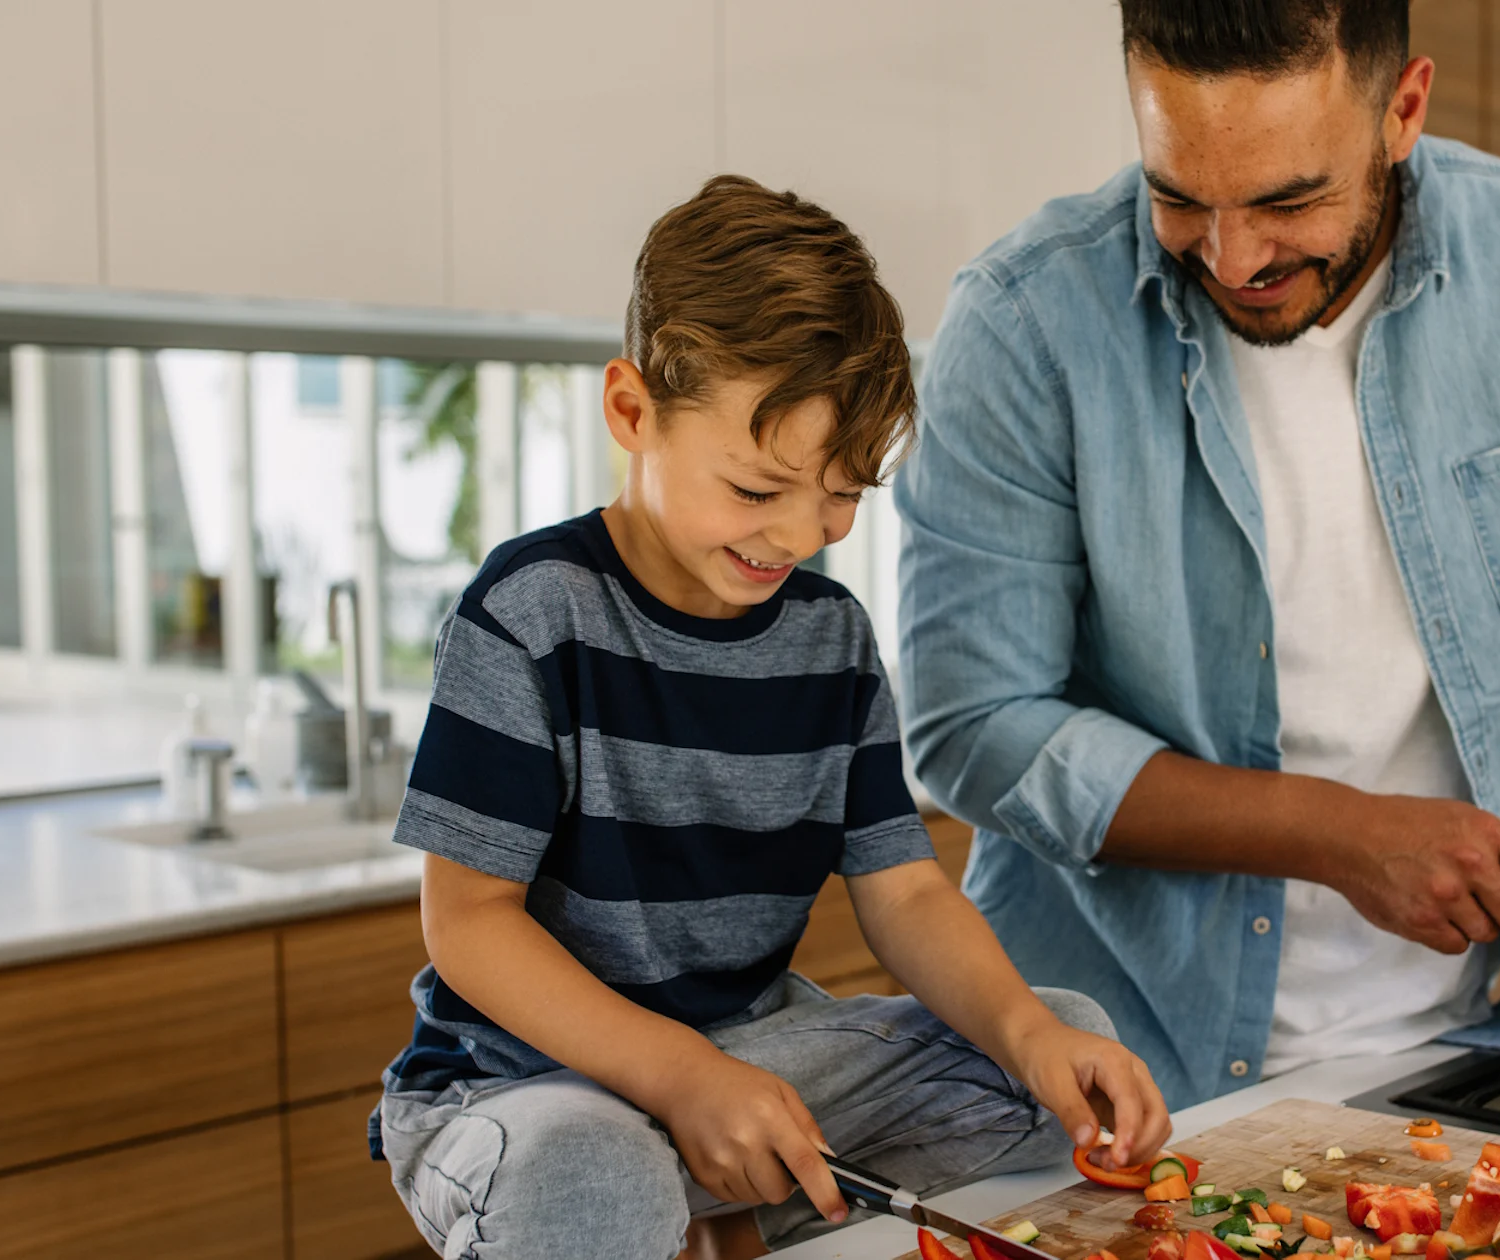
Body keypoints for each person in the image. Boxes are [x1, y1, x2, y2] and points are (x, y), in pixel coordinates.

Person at [895, 0, 1500, 1108]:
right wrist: (1340, 834)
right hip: (1113, 1075)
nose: (1233, 257)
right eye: (1177, 197)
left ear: (1403, 109)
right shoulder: (1025, 324)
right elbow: (970, 729)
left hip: (1460, 1046)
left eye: (1288, 201)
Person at [370, 175, 1169, 1259]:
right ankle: (688, 1195)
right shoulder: (531, 610)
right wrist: (682, 1076)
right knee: (594, 1169)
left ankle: (711, 1191)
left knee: (1065, 1046)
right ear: (631, 412)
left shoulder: (830, 637)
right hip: (522, 1090)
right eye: (757, 490)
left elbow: (904, 892)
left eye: (842, 493)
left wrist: (1025, 1032)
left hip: (747, 1056)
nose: (799, 532)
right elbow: (466, 924)